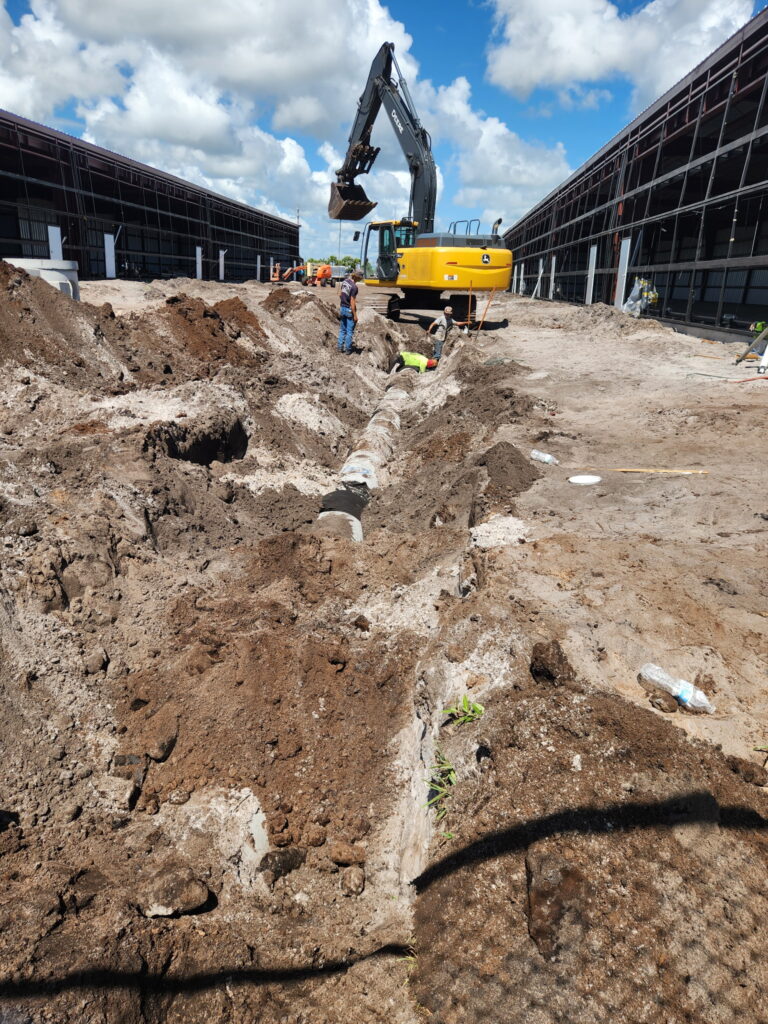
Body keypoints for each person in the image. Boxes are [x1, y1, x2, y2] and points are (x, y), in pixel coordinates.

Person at [338, 271, 362, 354]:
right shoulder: (354, 287)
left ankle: (340, 347)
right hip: (349, 310)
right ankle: (348, 349)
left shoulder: (345, 282)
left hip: (342, 307)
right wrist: (355, 315)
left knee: (342, 330)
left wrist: (344, 301)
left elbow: (340, 294)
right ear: (358, 278)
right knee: (349, 331)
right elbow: (352, 300)